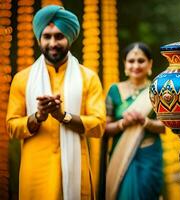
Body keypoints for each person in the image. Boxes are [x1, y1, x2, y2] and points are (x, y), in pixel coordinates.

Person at [6, 5, 106, 200]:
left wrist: (63, 116)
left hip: (76, 172)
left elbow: (99, 126)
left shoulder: (88, 78)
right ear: (39, 39)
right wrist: (38, 116)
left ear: (69, 37)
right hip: (35, 175)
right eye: (47, 36)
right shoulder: (22, 79)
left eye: (59, 36)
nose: (53, 43)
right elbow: (11, 127)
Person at [105, 42, 165, 200]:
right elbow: (105, 128)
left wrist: (144, 121)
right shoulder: (114, 91)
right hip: (121, 153)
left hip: (149, 155)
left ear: (150, 64)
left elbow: (164, 127)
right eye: (131, 61)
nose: (136, 65)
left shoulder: (158, 90)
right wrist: (123, 123)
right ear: (125, 64)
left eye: (141, 61)